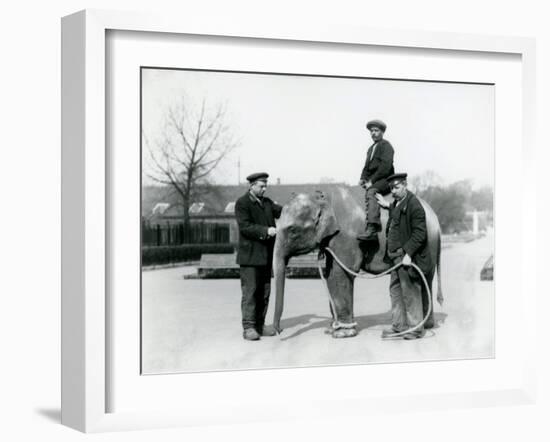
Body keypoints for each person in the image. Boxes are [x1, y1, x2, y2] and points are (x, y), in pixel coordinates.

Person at [375, 173, 433, 340]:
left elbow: (420, 233)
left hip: (405, 257)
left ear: (405, 186)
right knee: (395, 291)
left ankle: (415, 329)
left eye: (397, 187)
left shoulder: (414, 205)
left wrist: (408, 254)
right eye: (391, 188)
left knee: (410, 292)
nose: (393, 191)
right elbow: (396, 210)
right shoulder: (399, 202)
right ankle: (399, 326)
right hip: (395, 258)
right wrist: (386, 205)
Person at [234, 172, 282, 341]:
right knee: (250, 293)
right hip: (250, 257)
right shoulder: (242, 203)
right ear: (251, 186)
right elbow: (245, 227)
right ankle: (248, 328)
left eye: (265, 185)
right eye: (261, 186)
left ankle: (260, 326)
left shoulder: (268, 203)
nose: (264, 188)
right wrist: (266, 231)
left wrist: (296, 204)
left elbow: (283, 212)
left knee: (264, 293)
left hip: (266, 257)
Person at [357, 119, 395, 241]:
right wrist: (362, 179)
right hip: (375, 180)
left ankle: (373, 228)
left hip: (386, 180)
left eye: (376, 130)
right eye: (371, 131)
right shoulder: (370, 149)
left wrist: (371, 182)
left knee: (371, 191)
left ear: (382, 132)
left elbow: (385, 167)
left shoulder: (387, 146)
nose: (373, 133)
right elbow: (366, 167)